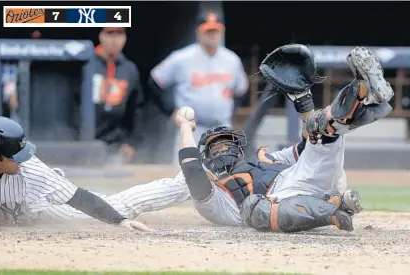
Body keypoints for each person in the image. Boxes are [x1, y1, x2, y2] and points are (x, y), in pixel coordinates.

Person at [175, 45, 394, 232]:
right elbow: (192, 171)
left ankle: (364, 92)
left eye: (225, 147)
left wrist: (303, 102)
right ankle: (332, 209)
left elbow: (306, 146)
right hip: (288, 200)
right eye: (216, 150)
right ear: (207, 159)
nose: (222, 152)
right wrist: (186, 127)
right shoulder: (214, 195)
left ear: (238, 148)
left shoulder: (265, 158)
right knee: (253, 207)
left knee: (317, 131)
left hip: (307, 177)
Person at [0, 116, 150, 232]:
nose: (22, 161)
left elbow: (78, 197)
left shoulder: (31, 168)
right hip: (9, 211)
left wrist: (119, 220)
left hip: (38, 206)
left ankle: (174, 187)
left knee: (119, 207)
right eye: (16, 158)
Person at [149, 10, 249, 163]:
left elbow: (242, 90)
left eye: (215, 30)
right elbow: (154, 82)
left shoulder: (232, 60)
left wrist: (232, 112)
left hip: (222, 129)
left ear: (222, 31)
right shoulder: (182, 58)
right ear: (199, 32)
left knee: (225, 178)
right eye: (208, 31)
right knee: (185, 179)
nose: (212, 35)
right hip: (192, 129)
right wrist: (170, 111)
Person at [91, 27, 144, 163]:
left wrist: (131, 142)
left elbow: (136, 108)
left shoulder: (129, 69)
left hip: (114, 144)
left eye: (120, 34)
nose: (115, 40)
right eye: (110, 34)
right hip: (84, 141)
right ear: (101, 36)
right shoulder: (86, 63)